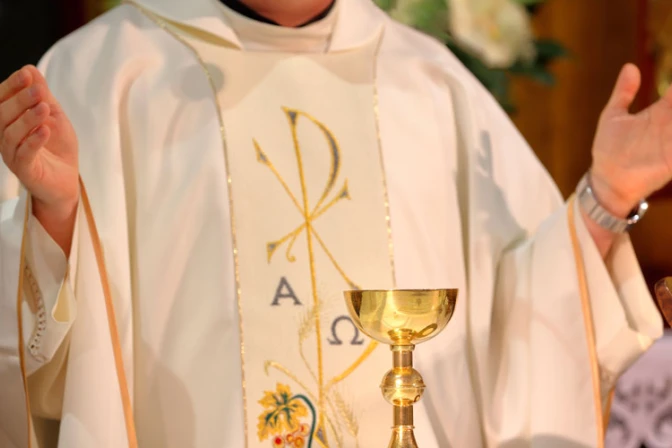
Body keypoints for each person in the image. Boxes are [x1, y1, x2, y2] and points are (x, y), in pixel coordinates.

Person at [0, 0, 669, 446]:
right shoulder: (106, 75)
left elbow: (522, 322)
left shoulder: (431, 83)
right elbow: (44, 370)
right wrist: (56, 219)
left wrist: (606, 197)